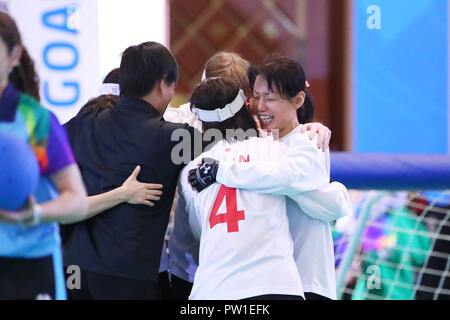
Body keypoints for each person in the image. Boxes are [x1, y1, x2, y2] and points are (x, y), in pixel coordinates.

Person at [159, 51, 335, 299]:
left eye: (267, 98)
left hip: (212, 282)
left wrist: (222, 171)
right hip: (268, 282)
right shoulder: (272, 148)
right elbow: (320, 195)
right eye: (257, 97)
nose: (261, 105)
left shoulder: (193, 160)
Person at [61, 41, 198, 300]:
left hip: (74, 272)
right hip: (127, 276)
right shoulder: (170, 137)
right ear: (163, 84)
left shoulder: (83, 123)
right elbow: (229, 146)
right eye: (172, 87)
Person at [0, 12, 87, 300]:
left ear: (14, 56)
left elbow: (76, 201)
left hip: (28, 265)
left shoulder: (35, 120)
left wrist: (35, 213)